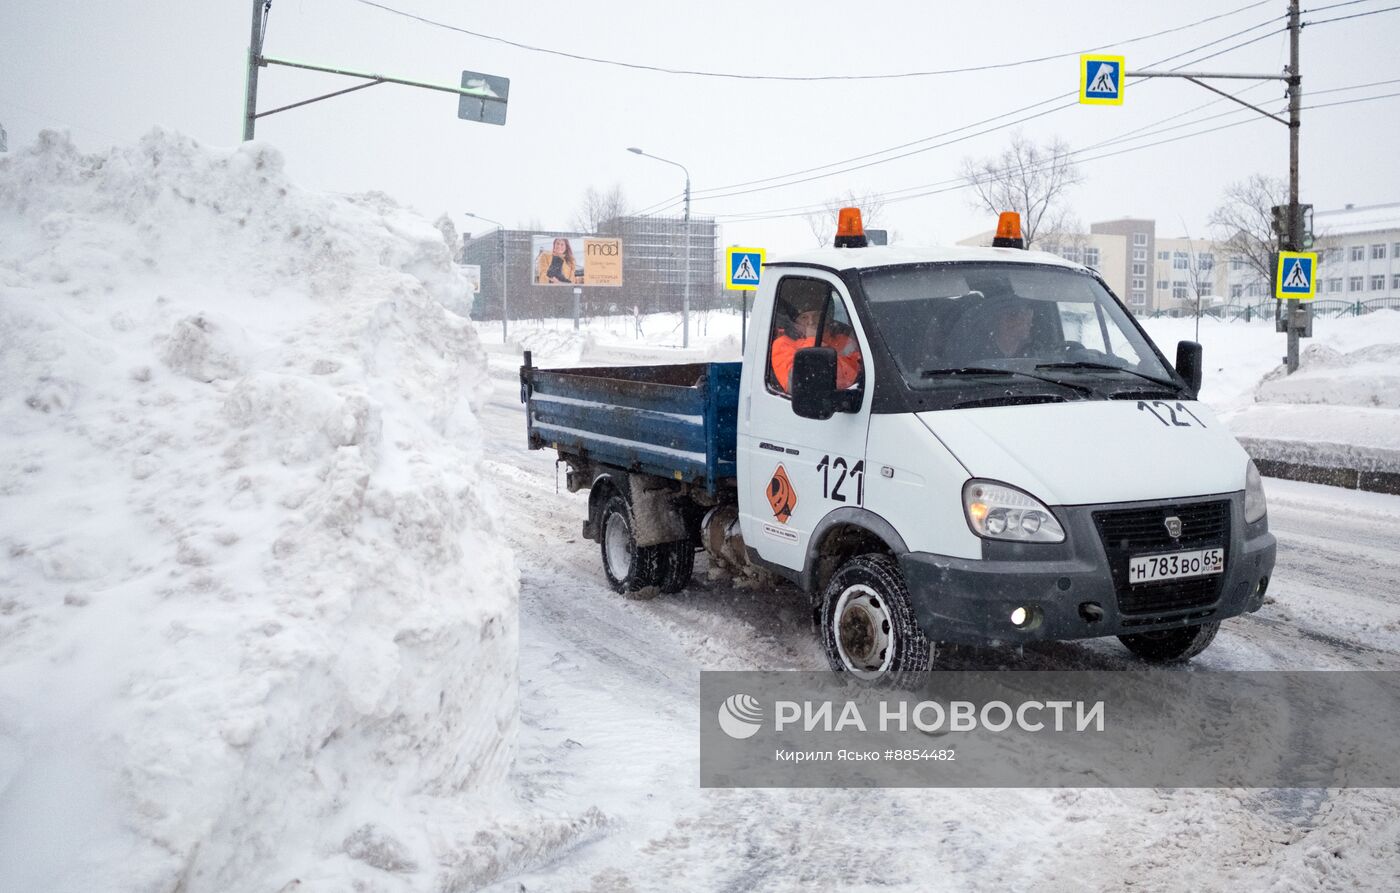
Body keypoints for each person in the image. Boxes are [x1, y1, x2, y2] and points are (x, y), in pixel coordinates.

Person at [769, 295, 862, 394]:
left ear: (826, 319)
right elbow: (797, 385)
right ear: (795, 323)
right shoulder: (783, 344)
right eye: (804, 317)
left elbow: (854, 378)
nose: (811, 321)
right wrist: (813, 340)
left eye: (816, 316)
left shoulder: (844, 340)